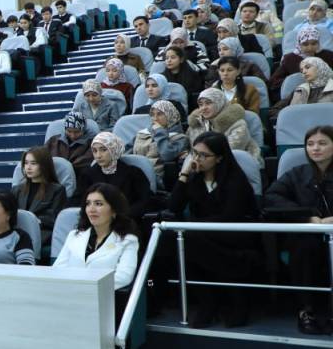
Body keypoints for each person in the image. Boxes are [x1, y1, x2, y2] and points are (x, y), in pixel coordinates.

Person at [169, 132, 260, 327]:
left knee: (190, 240)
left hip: (235, 233)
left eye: (204, 155)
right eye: (194, 153)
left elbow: (230, 217)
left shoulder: (235, 180)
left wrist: (196, 227)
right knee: (182, 240)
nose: (197, 159)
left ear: (219, 158)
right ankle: (210, 302)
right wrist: (184, 174)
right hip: (203, 235)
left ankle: (219, 303)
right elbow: (173, 207)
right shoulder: (195, 179)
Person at [263, 125, 333, 334]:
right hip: (308, 234)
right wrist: (306, 217)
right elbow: (272, 197)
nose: (315, 148)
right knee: (303, 245)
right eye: (310, 144)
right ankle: (306, 310)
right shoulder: (297, 173)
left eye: (322, 143)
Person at [53, 183, 139, 290]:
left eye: (98, 204)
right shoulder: (74, 236)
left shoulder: (127, 241)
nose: (91, 209)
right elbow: (58, 270)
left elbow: (123, 277)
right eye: (88, 204)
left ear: (114, 210)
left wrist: (86, 288)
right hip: (69, 293)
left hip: (103, 296)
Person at [74, 132, 150, 219]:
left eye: (103, 150)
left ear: (114, 149)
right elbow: (77, 201)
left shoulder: (134, 173)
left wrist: (121, 216)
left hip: (127, 221)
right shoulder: (87, 174)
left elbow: (145, 201)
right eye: (95, 151)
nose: (98, 155)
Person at [187, 88, 262, 165]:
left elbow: (228, 152)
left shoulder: (238, 125)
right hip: (202, 165)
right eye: (201, 104)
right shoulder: (197, 124)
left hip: (239, 164)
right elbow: (191, 150)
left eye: (208, 103)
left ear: (219, 103)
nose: (203, 108)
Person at [11, 147, 66, 249]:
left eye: (33, 163)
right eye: (26, 163)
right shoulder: (17, 189)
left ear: (44, 165)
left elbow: (55, 219)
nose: (28, 167)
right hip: (18, 231)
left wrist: (34, 221)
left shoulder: (57, 190)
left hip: (41, 233)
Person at [131, 100, 188, 187]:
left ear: (170, 115)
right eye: (152, 114)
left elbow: (167, 155)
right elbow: (128, 152)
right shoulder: (143, 133)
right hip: (135, 173)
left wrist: (159, 132)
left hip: (156, 177)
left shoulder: (180, 138)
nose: (155, 118)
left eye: (159, 114)